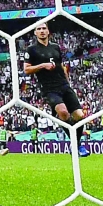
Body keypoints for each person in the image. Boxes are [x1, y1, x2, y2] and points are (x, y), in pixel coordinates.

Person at [23, 22, 90, 157]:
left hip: (63, 85)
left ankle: (75, 143)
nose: (42, 31)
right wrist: (43, 65)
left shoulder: (55, 47)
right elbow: (26, 69)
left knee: (80, 116)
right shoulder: (31, 50)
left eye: (44, 28)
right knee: (63, 112)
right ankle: (76, 144)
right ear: (35, 33)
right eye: (39, 29)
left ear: (48, 31)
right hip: (48, 88)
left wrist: (67, 79)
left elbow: (60, 65)